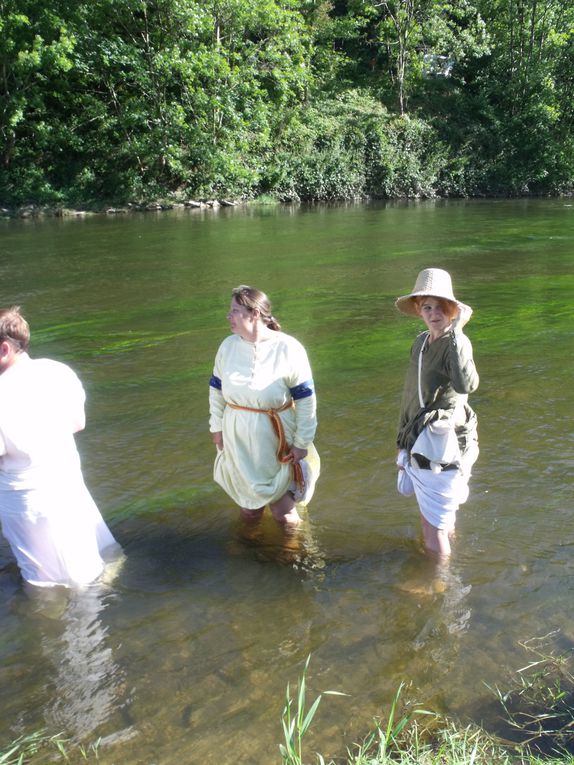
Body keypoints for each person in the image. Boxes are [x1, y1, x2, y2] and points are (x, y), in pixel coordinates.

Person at [0, 306, 120, 587]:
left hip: (27, 501)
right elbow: (78, 423)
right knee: (87, 561)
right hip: (67, 484)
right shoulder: (59, 371)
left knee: (44, 584)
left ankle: (49, 628)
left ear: (5, 349)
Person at [209, 285, 320, 526]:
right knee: (249, 509)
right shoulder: (227, 347)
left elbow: (306, 400)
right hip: (237, 441)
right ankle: (249, 549)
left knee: (284, 514)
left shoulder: (289, 348)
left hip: (276, 441)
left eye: (235, 310)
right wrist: (216, 427)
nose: (229, 316)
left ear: (255, 314)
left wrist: (302, 443)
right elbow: (216, 390)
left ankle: (294, 556)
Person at [395, 269, 479, 558]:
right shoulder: (420, 343)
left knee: (435, 528)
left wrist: (457, 331)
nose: (434, 313)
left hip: (443, 442)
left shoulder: (457, 343)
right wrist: (402, 441)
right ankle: (444, 571)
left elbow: (467, 384)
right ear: (419, 309)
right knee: (435, 520)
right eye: (428, 307)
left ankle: (437, 584)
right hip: (419, 439)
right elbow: (411, 393)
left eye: (442, 307)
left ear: (453, 310)